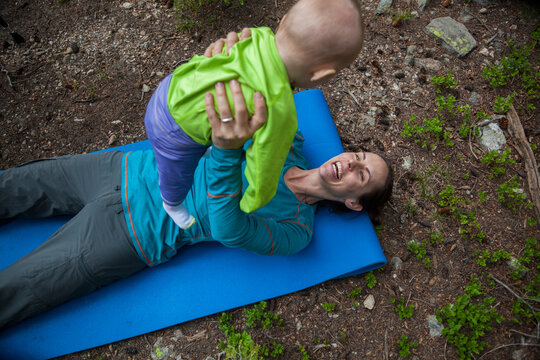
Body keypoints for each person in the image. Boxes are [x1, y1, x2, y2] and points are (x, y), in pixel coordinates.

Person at [145, 0, 366, 230]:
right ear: (322, 74)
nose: (352, 161)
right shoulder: (280, 110)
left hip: (171, 86)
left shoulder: (257, 35)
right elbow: (264, 163)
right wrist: (254, 199)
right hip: (176, 130)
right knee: (175, 175)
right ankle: (172, 204)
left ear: (283, 21)